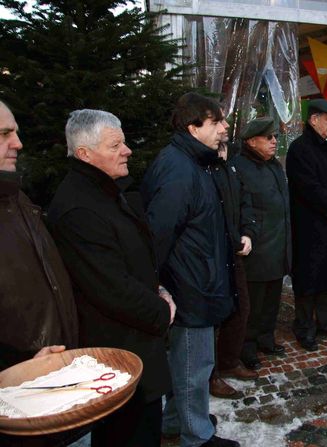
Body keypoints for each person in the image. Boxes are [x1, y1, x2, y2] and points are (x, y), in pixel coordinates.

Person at [48, 109, 176, 447]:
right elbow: (111, 287)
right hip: (118, 360)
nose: (128, 150)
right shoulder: (79, 208)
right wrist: (161, 310)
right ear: (85, 154)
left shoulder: (106, 190)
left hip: (135, 351)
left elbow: (134, 260)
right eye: (115, 144)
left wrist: (159, 289)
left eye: (124, 142)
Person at [141, 93, 240, 447]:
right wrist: (158, 284)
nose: (224, 128)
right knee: (192, 368)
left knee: (189, 363)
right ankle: (196, 436)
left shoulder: (193, 162)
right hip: (190, 285)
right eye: (216, 122)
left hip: (199, 279)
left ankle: (176, 420)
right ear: (192, 127)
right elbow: (158, 233)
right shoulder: (179, 168)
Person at [0, 101, 82, 447]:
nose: (18, 143)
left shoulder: (16, 197)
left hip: (49, 382)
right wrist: (12, 370)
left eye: (15, 131)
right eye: (4, 134)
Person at [286, 98, 327, 352]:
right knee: (309, 279)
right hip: (310, 228)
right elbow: (309, 189)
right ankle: (304, 328)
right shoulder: (299, 149)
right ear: (314, 120)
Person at [231, 117, 291, 369]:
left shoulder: (274, 165)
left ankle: (266, 338)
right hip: (257, 249)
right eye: (268, 138)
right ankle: (247, 346)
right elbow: (239, 209)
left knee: (271, 300)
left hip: (278, 246)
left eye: (275, 137)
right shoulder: (239, 167)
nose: (274, 142)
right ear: (252, 141)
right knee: (253, 304)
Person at [209, 113, 259, 393]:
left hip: (235, 254)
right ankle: (210, 374)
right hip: (212, 256)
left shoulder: (231, 170)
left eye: (225, 146)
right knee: (213, 316)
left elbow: (245, 204)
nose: (222, 151)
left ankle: (229, 360)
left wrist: (248, 233)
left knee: (241, 308)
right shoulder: (203, 172)